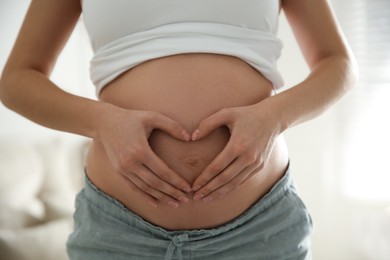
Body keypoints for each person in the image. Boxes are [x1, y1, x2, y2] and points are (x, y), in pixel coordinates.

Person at [0, 0, 357, 259]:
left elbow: (338, 63)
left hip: (256, 229)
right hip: (122, 235)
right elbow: (17, 79)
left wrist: (274, 117)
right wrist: (102, 122)